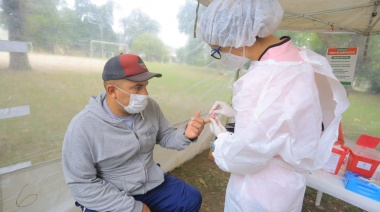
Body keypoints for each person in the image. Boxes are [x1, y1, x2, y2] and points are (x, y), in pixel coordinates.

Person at [199, 0, 350, 211]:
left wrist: (223, 139)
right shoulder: (301, 59)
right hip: (288, 184)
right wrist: (239, 114)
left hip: (262, 190)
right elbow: (289, 118)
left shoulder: (266, 77)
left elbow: (245, 155)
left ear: (235, 37)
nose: (221, 56)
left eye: (217, 50)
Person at [62, 53, 204, 212]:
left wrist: (186, 134)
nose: (145, 94)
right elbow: (81, 184)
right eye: (137, 87)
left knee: (191, 199)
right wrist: (134, 208)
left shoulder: (150, 107)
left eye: (146, 85)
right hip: (111, 194)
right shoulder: (82, 128)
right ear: (112, 91)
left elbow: (166, 136)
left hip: (151, 184)